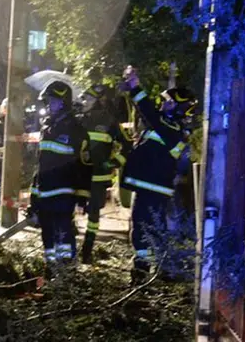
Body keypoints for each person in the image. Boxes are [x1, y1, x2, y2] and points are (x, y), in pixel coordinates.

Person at [121, 67, 197, 283]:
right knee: (147, 226)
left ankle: (150, 270)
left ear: (178, 109)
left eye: (168, 103)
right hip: (149, 186)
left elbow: (149, 113)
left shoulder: (170, 128)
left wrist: (135, 87)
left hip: (153, 188)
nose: (162, 105)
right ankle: (151, 268)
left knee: (148, 228)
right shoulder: (170, 128)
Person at [28, 80, 91, 268]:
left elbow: (85, 165)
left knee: (64, 232)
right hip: (45, 191)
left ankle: (67, 271)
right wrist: (34, 196)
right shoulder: (46, 129)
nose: (47, 105)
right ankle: (53, 269)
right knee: (48, 234)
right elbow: (40, 165)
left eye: (51, 101)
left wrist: (82, 196)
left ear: (62, 102)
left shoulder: (75, 130)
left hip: (64, 192)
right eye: (46, 101)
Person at [77, 83, 133, 263]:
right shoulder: (79, 119)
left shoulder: (110, 122)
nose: (84, 101)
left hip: (99, 178)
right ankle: (68, 248)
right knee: (70, 209)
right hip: (78, 176)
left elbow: (128, 146)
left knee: (93, 215)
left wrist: (115, 162)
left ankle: (87, 249)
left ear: (99, 101)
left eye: (89, 98)